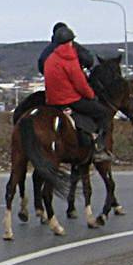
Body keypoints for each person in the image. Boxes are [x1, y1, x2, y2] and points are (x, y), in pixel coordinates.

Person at [42, 25, 112, 163]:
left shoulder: (50, 59)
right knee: (104, 113)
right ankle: (99, 148)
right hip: (70, 100)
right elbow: (81, 84)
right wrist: (92, 95)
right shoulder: (70, 59)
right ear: (70, 42)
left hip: (51, 101)